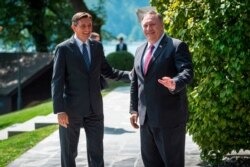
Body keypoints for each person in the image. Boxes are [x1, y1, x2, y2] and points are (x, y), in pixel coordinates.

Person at [51, 12, 130, 167]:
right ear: (74, 27)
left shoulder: (97, 47)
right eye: (83, 26)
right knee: (69, 152)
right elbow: (57, 81)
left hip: (95, 109)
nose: (87, 29)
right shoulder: (63, 49)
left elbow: (108, 71)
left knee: (96, 152)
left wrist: (132, 75)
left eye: (89, 25)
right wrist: (59, 110)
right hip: (70, 110)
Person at [129, 11, 193, 167]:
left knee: (172, 163)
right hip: (146, 119)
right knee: (150, 162)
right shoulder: (139, 50)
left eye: (153, 24)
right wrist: (133, 110)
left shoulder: (176, 46)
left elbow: (187, 72)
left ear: (162, 25)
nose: (149, 28)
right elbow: (135, 81)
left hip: (169, 118)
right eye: (145, 25)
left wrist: (175, 82)